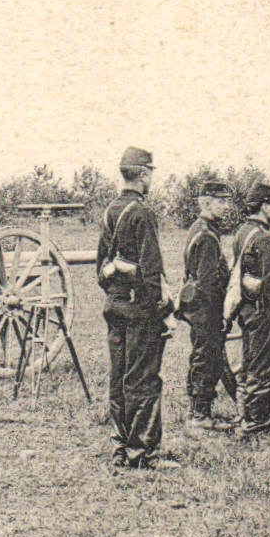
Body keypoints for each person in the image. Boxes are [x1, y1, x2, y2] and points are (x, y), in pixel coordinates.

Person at [97, 147, 168, 469]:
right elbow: (152, 273)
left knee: (119, 379)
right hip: (140, 311)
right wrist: (160, 312)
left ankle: (120, 448)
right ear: (142, 174)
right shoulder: (142, 213)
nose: (151, 178)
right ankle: (142, 453)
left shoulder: (109, 211)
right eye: (150, 172)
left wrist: (118, 278)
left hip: (115, 305)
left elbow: (101, 269)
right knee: (143, 380)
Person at [234, 183, 270, 438]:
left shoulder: (243, 233)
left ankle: (246, 415)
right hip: (265, 312)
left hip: (247, 310)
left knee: (249, 364)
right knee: (263, 368)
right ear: (264, 206)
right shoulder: (265, 240)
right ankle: (256, 424)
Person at [181, 181, 233, 428]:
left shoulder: (202, 229)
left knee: (202, 356)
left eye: (226, 201)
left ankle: (197, 411)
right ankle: (200, 415)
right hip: (206, 308)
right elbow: (208, 281)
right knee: (207, 358)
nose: (226, 206)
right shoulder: (206, 235)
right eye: (221, 201)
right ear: (206, 203)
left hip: (199, 307)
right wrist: (220, 314)